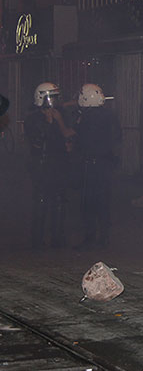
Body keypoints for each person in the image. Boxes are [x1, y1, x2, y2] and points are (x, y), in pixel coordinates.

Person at [25, 82, 73, 249]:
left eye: (55, 98)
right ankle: (37, 239)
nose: (53, 102)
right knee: (41, 200)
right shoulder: (33, 119)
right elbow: (37, 141)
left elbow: (67, 135)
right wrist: (48, 122)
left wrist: (58, 121)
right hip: (42, 164)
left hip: (59, 163)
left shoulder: (61, 115)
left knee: (59, 200)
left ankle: (57, 238)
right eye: (50, 98)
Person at [73, 84, 121, 249]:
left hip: (91, 165)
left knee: (89, 202)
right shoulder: (110, 115)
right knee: (103, 201)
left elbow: (79, 140)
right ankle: (104, 237)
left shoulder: (86, 117)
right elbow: (117, 139)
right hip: (105, 164)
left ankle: (90, 237)